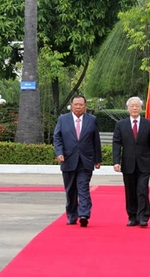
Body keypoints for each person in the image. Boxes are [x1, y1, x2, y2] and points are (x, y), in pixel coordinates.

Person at [53, 95, 102, 227]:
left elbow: (96, 140)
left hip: (86, 160)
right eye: (76, 104)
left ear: (85, 106)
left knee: (83, 187)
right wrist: (59, 153)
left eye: (81, 104)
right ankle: (72, 215)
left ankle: (84, 214)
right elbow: (57, 138)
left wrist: (98, 159)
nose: (78, 107)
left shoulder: (92, 120)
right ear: (71, 105)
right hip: (68, 159)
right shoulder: (63, 119)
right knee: (71, 190)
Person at [112, 96, 150, 228]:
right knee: (130, 191)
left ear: (141, 108)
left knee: (142, 190)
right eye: (132, 106)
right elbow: (116, 144)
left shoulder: (148, 124)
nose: (134, 108)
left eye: (137, 106)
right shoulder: (120, 125)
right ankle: (132, 216)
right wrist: (116, 161)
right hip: (128, 164)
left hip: (144, 164)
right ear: (127, 108)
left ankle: (143, 217)